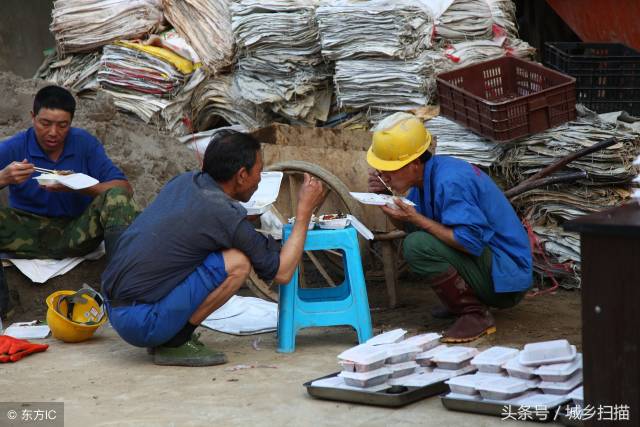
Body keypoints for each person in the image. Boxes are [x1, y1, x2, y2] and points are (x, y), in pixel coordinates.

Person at [101, 130, 324, 366]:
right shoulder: (223, 216)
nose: (260, 178)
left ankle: (167, 331)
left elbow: (201, 223)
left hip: (115, 309)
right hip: (141, 322)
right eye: (259, 170)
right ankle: (176, 340)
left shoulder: (185, 181)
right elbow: (282, 272)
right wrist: (304, 213)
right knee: (238, 262)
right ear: (241, 175)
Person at [366, 113, 532, 343]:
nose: (383, 175)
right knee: (418, 237)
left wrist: (417, 219)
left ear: (414, 164)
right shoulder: (426, 177)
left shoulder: (450, 180)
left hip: (507, 277)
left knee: (417, 246)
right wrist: (386, 198)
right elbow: (411, 225)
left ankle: (474, 314)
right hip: (494, 266)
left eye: (389, 169)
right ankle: (462, 303)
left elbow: (468, 241)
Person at [0, 85, 138, 319]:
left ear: (71, 122)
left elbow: (124, 189)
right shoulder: (14, 147)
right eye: (45, 123)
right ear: (32, 117)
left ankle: (121, 297)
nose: (53, 132)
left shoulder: (84, 144)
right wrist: (4, 177)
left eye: (62, 125)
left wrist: (80, 186)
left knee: (117, 201)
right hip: (27, 231)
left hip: (76, 230)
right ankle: (5, 312)